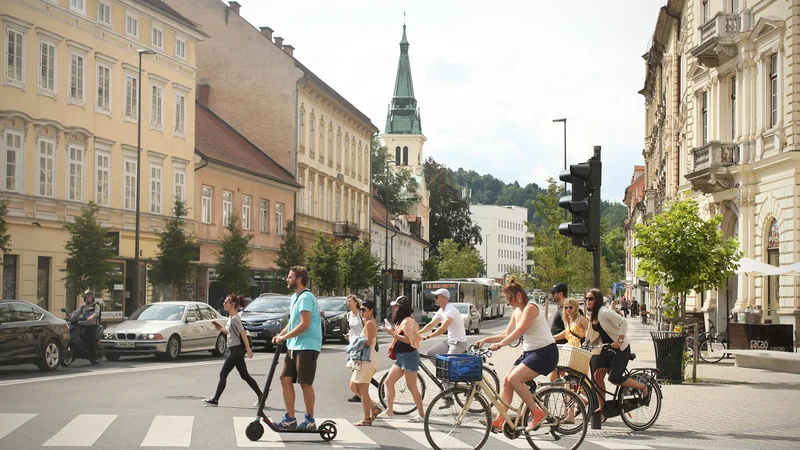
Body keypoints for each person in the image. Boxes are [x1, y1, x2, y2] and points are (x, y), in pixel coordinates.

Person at [476, 276, 557, 432]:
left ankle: (537, 413)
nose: (509, 303)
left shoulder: (531, 308)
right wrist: (486, 339)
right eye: (507, 300)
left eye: (510, 299)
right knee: (507, 381)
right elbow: (507, 333)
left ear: (519, 295)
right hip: (531, 352)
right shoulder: (517, 312)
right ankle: (500, 420)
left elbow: (520, 330)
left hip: (545, 352)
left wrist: (500, 344)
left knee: (514, 379)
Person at [271, 266, 323, 430]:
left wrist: (285, 337)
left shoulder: (306, 297)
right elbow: (293, 323)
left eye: (290, 276)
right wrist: (281, 334)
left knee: (305, 382)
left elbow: (304, 324)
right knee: (284, 378)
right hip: (294, 345)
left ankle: (310, 420)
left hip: (307, 346)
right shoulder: (295, 297)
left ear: (299, 279)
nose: (287, 279)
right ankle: (290, 418)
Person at [585, 289, 649, 419]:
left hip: (620, 349)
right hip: (606, 349)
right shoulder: (593, 314)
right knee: (597, 376)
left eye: (590, 299)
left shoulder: (604, 312)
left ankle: (643, 387)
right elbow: (590, 332)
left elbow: (623, 322)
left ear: (597, 300)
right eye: (586, 299)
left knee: (614, 378)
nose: (587, 301)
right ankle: (603, 407)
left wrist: (619, 341)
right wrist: (585, 343)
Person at [204, 295, 262, 406]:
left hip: (236, 351)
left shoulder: (235, 318)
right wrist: (221, 329)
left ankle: (215, 399)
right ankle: (261, 396)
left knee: (223, 373)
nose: (224, 304)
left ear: (232, 305)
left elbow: (243, 333)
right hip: (235, 350)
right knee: (245, 375)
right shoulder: (231, 318)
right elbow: (230, 333)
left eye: (226, 302)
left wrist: (249, 349)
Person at [378, 296, 424, 423]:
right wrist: (392, 330)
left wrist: (392, 333)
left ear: (400, 307)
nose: (394, 309)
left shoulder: (408, 321)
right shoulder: (403, 320)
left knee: (412, 387)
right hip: (402, 357)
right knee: (388, 382)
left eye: (396, 306)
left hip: (409, 356)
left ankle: (421, 414)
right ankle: (389, 410)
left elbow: (408, 340)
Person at [347, 300, 382, 426]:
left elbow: (368, 342)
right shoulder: (367, 322)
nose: (361, 311)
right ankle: (374, 408)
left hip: (367, 360)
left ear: (371, 310)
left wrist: (354, 340)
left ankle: (367, 418)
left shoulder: (370, 324)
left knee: (363, 389)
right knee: (353, 386)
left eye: (364, 309)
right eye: (360, 309)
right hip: (363, 360)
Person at [344, 295, 365, 403]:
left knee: (359, 369)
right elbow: (352, 329)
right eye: (347, 301)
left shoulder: (361, 315)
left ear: (356, 303)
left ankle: (359, 394)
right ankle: (359, 393)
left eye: (350, 301)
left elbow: (367, 328)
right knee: (356, 369)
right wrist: (348, 334)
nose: (348, 303)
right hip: (353, 345)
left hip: (361, 344)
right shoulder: (349, 315)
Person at [76, 290, 101, 359]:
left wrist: (91, 317)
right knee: (80, 337)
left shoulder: (96, 306)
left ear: (92, 297)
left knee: (91, 339)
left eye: (89, 297)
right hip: (83, 324)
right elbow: (76, 312)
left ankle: (93, 355)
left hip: (92, 325)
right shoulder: (83, 306)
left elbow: (96, 313)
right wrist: (70, 316)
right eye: (86, 297)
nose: (88, 299)